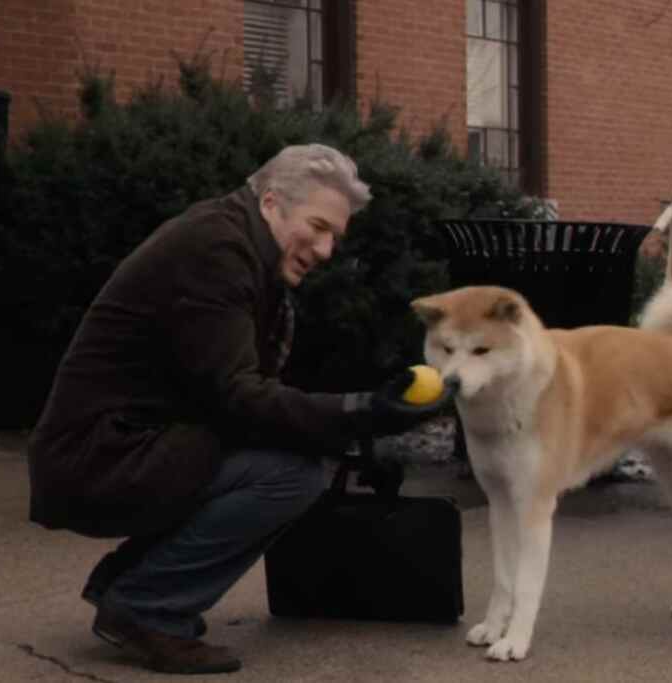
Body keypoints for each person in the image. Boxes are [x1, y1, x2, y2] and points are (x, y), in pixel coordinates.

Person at [27, 143, 453, 675]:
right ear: (271, 202)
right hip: (97, 458)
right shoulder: (216, 251)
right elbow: (240, 398)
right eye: (318, 227)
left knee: (292, 455)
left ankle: (129, 584)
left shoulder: (239, 248)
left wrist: (356, 429)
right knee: (292, 475)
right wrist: (364, 414)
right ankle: (147, 607)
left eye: (335, 237)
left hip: (124, 445)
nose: (326, 249)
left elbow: (247, 395)